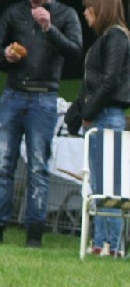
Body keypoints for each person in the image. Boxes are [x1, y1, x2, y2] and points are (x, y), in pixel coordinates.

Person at [0, 0, 82, 247]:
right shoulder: (14, 12)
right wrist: (5, 55)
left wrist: (49, 28)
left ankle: (34, 234)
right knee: (3, 165)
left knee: (38, 168)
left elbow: (76, 52)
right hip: (13, 94)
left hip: (44, 96)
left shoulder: (66, 14)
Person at [75, 0, 130, 257]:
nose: (85, 13)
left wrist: (88, 114)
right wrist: (77, 115)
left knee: (109, 184)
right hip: (101, 116)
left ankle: (112, 245)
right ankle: (101, 242)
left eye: (89, 8)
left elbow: (109, 80)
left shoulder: (115, 36)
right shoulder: (108, 37)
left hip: (106, 116)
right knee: (101, 183)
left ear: (100, 9)